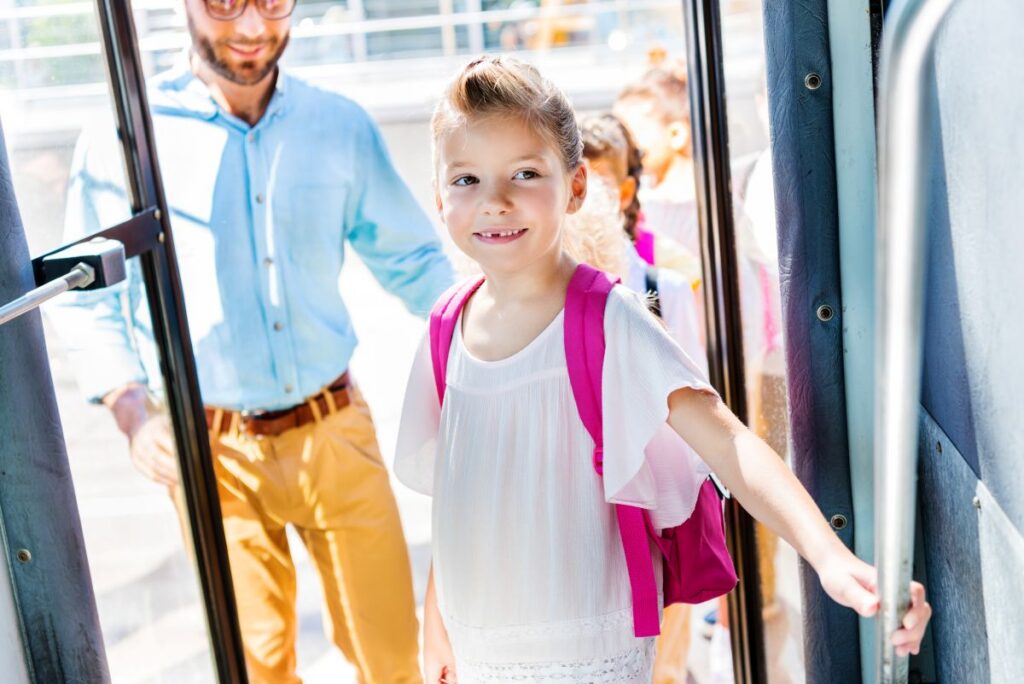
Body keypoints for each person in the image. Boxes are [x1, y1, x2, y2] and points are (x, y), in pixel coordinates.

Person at [394, 55, 931, 683]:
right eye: (466, 180)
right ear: (439, 196)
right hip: (479, 641)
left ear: (574, 186)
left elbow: (728, 441)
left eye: (524, 172)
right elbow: (456, 493)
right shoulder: (444, 327)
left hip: (585, 647)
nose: (496, 201)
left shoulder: (606, 318)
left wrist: (833, 560)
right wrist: (435, 618)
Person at [48, 0, 454, 681]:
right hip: (211, 452)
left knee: (391, 655)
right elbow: (91, 295)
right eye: (223, 2)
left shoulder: (338, 125)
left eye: (271, 2)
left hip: (336, 431)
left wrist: (498, 334)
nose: (250, 27)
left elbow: (413, 262)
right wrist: (130, 409)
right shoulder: (125, 138)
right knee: (257, 665)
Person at [576, 111, 704, 683]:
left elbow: (696, 418)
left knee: (664, 667)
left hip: (657, 518)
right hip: (584, 516)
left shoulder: (662, 287)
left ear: (625, 190)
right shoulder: (544, 294)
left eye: (600, 184)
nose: (588, 200)